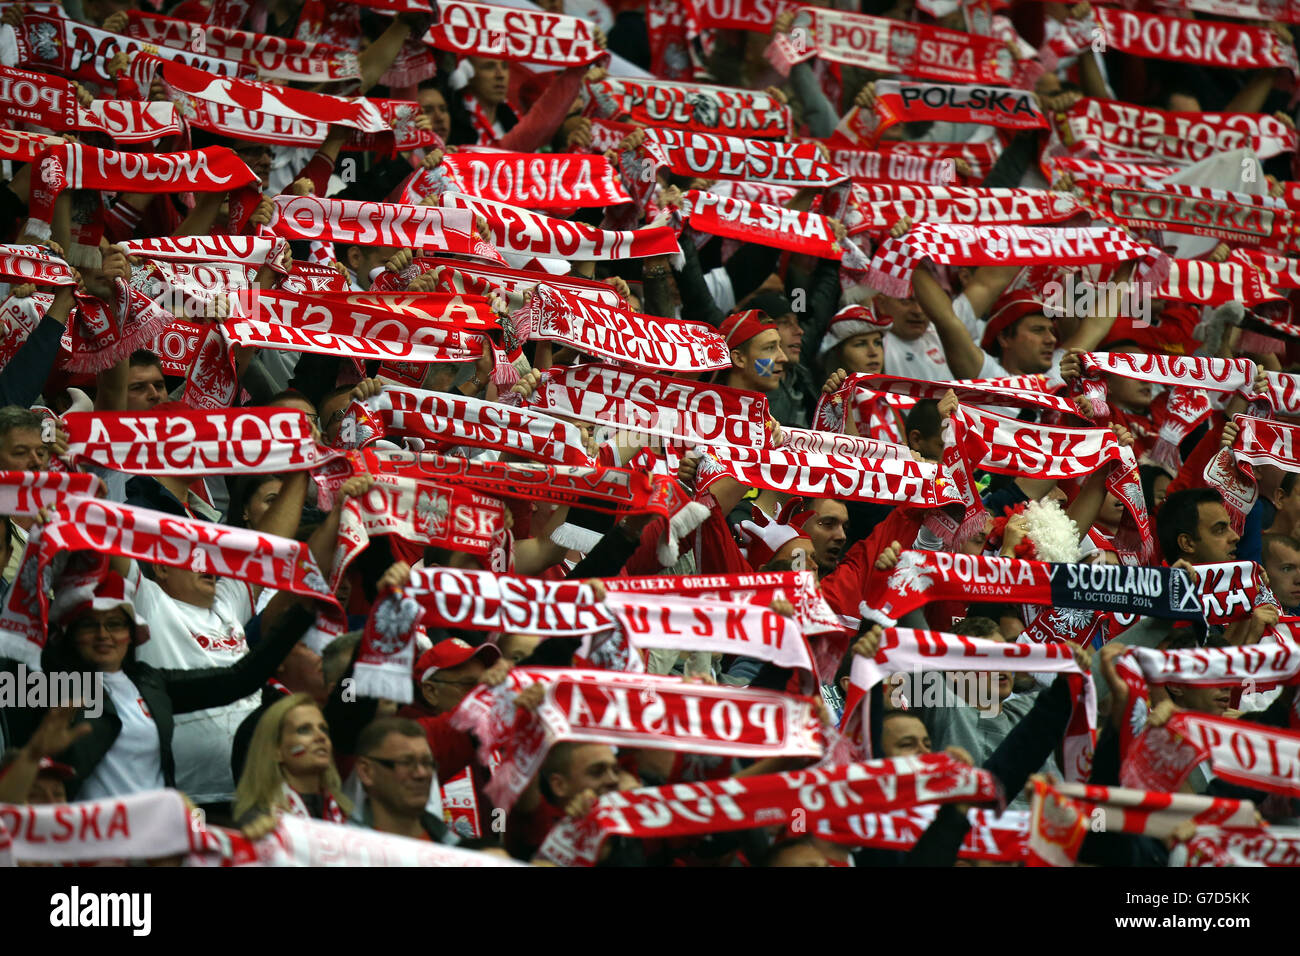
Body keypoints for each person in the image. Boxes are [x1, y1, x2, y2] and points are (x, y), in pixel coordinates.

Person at [352, 716, 453, 843]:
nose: (421, 774)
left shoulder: (457, 850)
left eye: (427, 763)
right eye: (406, 762)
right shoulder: (342, 852)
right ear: (366, 771)